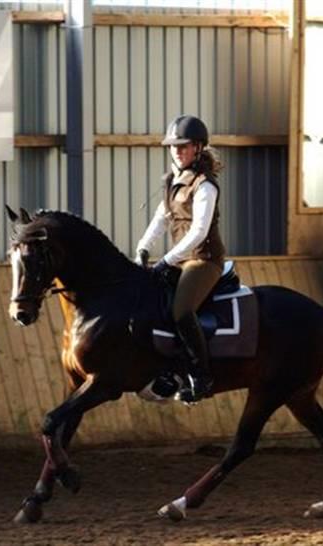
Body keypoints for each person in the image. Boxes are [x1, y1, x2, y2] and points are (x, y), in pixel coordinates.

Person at [135, 115, 226, 403]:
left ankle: (201, 375)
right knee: (149, 300)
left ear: (198, 148)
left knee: (181, 311)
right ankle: (167, 369)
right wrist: (142, 248)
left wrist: (165, 260)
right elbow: (161, 219)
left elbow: (199, 232)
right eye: (173, 146)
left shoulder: (205, 186)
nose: (177, 151)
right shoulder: (172, 180)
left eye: (183, 146)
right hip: (180, 259)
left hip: (204, 259)